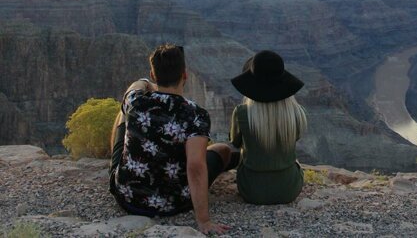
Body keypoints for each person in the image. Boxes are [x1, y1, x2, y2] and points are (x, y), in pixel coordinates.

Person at [109, 44, 235, 235]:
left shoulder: (137, 101)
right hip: (176, 203)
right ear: (185, 75)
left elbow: (135, 86)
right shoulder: (196, 115)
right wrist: (204, 220)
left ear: (153, 75)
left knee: (124, 116)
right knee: (222, 150)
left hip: (128, 198)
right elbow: (195, 166)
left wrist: (147, 84)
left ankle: (124, 166)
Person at [229, 50, 307, 205]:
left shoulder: (242, 113)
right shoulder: (297, 113)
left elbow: (234, 142)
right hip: (289, 189)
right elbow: (295, 137)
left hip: (251, 191)